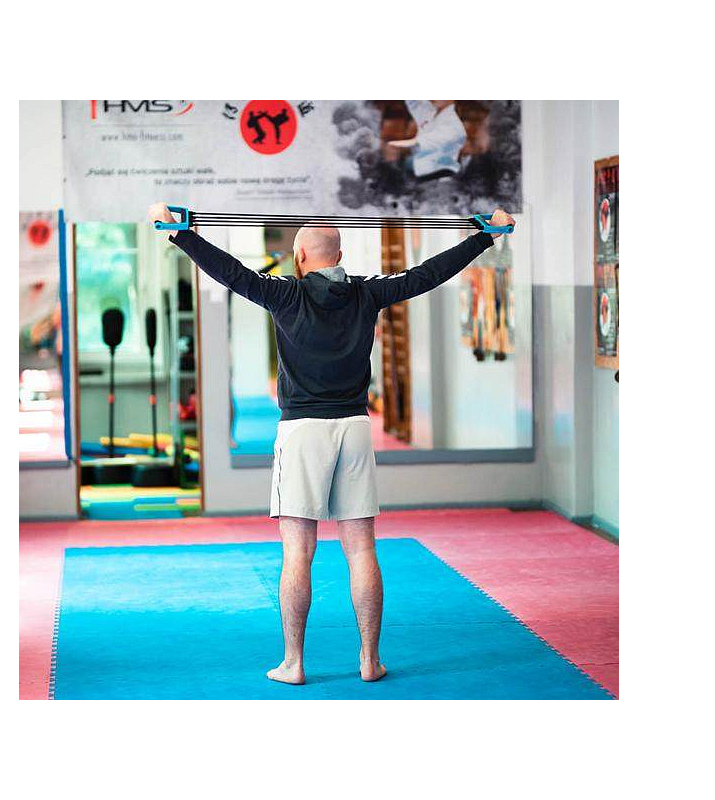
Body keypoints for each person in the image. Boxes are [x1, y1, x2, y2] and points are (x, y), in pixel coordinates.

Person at [148, 202, 515, 685]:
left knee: (298, 553)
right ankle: (370, 659)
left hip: (302, 431)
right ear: (340, 255)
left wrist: (181, 235)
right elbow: (428, 274)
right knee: (361, 549)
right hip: (355, 428)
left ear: (299, 256)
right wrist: (485, 237)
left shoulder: (283, 292)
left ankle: (294, 663)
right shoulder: (367, 292)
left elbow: (230, 272)